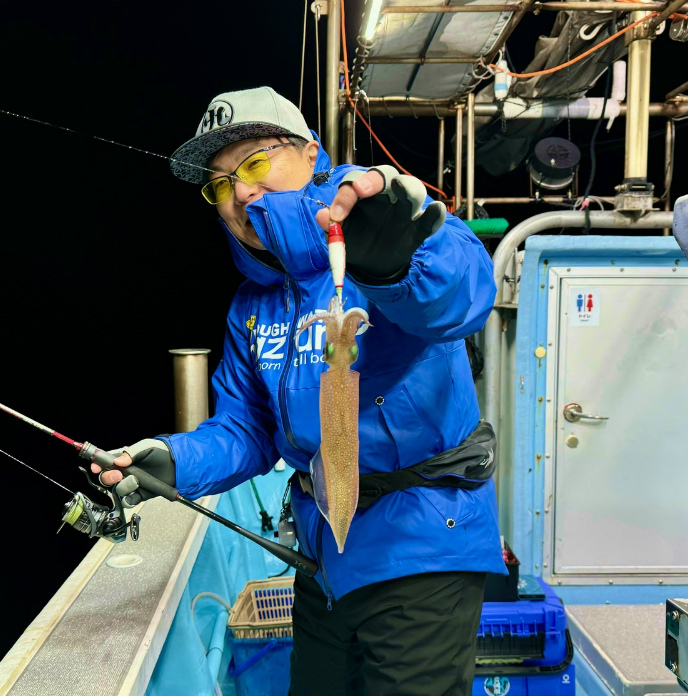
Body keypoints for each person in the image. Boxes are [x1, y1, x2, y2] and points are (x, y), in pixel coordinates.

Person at [93, 86, 506, 696]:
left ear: (311, 153)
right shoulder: (251, 306)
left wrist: (397, 265)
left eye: (255, 162)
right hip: (323, 560)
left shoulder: (371, 223)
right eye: (218, 184)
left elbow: (463, 298)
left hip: (421, 546)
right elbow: (248, 430)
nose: (240, 193)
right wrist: (175, 461)